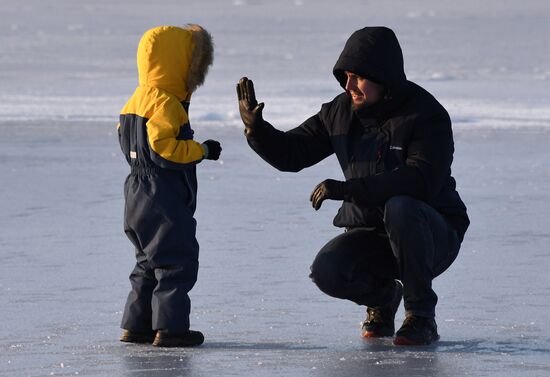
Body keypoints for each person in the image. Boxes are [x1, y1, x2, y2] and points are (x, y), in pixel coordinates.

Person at [236, 26, 469, 346]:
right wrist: (257, 130)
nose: (348, 86)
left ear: (383, 76)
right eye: (345, 76)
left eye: (357, 77)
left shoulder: (426, 115)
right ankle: (384, 298)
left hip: (433, 235)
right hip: (375, 235)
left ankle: (421, 316)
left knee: (401, 205)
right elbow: (293, 153)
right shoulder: (340, 111)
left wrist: (350, 190)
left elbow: (422, 180)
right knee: (328, 270)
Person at [117, 25, 221, 347]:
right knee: (176, 259)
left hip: (135, 192)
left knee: (147, 261)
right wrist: (201, 151)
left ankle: (137, 326)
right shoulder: (167, 104)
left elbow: (126, 139)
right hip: (162, 193)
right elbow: (164, 148)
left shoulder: (135, 99)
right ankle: (171, 329)